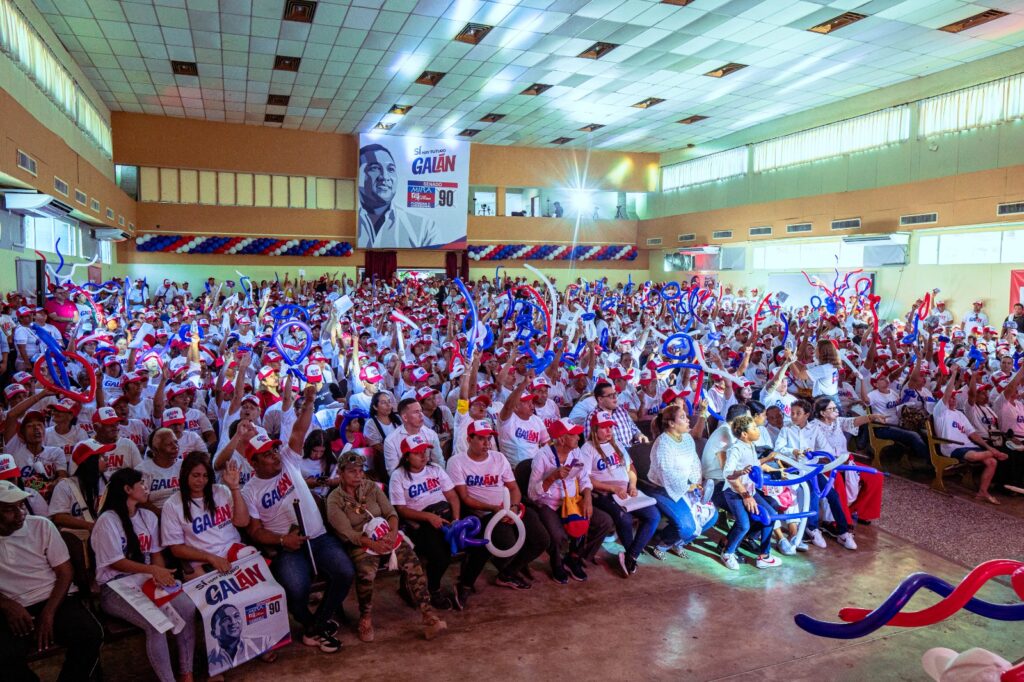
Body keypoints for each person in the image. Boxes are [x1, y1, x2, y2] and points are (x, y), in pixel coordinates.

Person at [240, 386, 354, 654]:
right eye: (267, 454)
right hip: (287, 546)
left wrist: (310, 402)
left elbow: (299, 432)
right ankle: (312, 623)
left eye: (274, 451)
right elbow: (255, 531)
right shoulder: (250, 490)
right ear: (254, 462)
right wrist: (282, 540)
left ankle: (316, 625)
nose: (274, 455)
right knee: (295, 588)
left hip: (317, 536)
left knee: (344, 572)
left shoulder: (288, 461)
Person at [326, 450, 447, 643]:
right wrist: (372, 543)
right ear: (340, 473)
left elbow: (391, 512)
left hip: (385, 534)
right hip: (361, 542)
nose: (358, 475)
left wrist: (392, 533)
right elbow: (347, 533)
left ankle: (428, 615)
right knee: (367, 573)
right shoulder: (334, 500)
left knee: (413, 562)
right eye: (352, 471)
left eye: (360, 470)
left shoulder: (371, 488)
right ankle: (365, 618)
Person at [90, 468, 197, 682]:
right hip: (115, 587)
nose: (147, 488)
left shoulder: (147, 516)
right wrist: (153, 571)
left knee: (186, 607)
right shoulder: (107, 520)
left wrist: (161, 576)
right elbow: (117, 562)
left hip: (146, 580)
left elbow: (156, 554)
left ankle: (187, 672)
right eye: (142, 484)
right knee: (156, 624)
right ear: (128, 489)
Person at [0, 479, 103, 682]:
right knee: (4, 657)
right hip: (11, 607)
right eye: (10, 509)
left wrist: (48, 612)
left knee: (90, 634)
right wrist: (6, 604)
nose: (21, 513)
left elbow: (65, 573)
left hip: (53, 597)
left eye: (21, 505)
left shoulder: (40, 525)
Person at [446, 420, 549, 602]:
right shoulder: (457, 462)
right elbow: (465, 498)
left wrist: (513, 508)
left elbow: (514, 489)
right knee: (501, 542)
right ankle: (465, 583)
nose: (487, 443)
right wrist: (496, 510)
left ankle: (508, 573)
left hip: (509, 508)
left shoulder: (498, 458)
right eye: (481, 439)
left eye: (489, 439)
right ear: (469, 439)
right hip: (482, 514)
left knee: (541, 539)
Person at [528, 418, 615, 584]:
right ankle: (557, 563)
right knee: (557, 536)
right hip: (550, 504)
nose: (578, 437)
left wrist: (588, 498)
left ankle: (574, 557)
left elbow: (584, 480)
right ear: (561, 439)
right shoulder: (542, 457)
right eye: (574, 434)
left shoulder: (576, 452)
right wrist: (551, 477)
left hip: (573, 501)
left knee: (604, 521)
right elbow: (532, 494)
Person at [580, 410, 661, 576]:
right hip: (604, 492)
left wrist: (632, 485)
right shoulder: (588, 448)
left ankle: (631, 555)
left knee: (654, 516)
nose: (609, 430)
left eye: (611, 426)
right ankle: (632, 556)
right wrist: (612, 488)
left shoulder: (616, 444)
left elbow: (631, 468)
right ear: (595, 429)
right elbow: (585, 479)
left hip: (626, 491)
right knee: (625, 519)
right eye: (604, 427)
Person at [389, 435, 461, 609]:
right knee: (441, 557)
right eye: (417, 453)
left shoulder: (435, 469)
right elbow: (401, 509)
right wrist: (429, 517)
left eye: (425, 451)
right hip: (419, 522)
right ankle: (433, 589)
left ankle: (464, 585)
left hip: (445, 517)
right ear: (406, 456)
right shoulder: (398, 476)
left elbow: (452, 496)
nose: (423, 456)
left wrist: (456, 519)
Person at [643, 405, 719, 563]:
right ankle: (662, 543)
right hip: (662, 489)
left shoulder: (687, 438)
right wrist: (687, 487)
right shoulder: (663, 443)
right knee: (687, 526)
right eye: (683, 417)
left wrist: (697, 482)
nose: (688, 420)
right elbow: (666, 473)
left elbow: (694, 463)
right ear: (671, 423)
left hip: (685, 486)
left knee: (711, 515)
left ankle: (678, 542)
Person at [161, 452, 252, 578]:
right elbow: (176, 548)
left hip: (235, 551)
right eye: (196, 475)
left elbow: (243, 522)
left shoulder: (221, 491)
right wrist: (211, 558)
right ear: (184, 474)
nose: (201, 481)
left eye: (205, 476)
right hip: (203, 562)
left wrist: (235, 488)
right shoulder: (172, 505)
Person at [720, 415, 780, 571]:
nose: (758, 430)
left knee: (771, 515)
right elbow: (727, 473)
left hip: (750, 491)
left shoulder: (751, 446)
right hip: (734, 493)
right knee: (743, 524)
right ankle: (728, 553)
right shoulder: (736, 448)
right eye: (753, 428)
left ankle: (764, 556)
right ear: (744, 434)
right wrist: (745, 494)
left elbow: (752, 465)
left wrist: (767, 459)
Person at [356, 143, 440, 249]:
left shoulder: (424, 226)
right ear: (357, 174)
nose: (385, 177)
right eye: (374, 168)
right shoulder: (349, 221)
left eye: (391, 169)